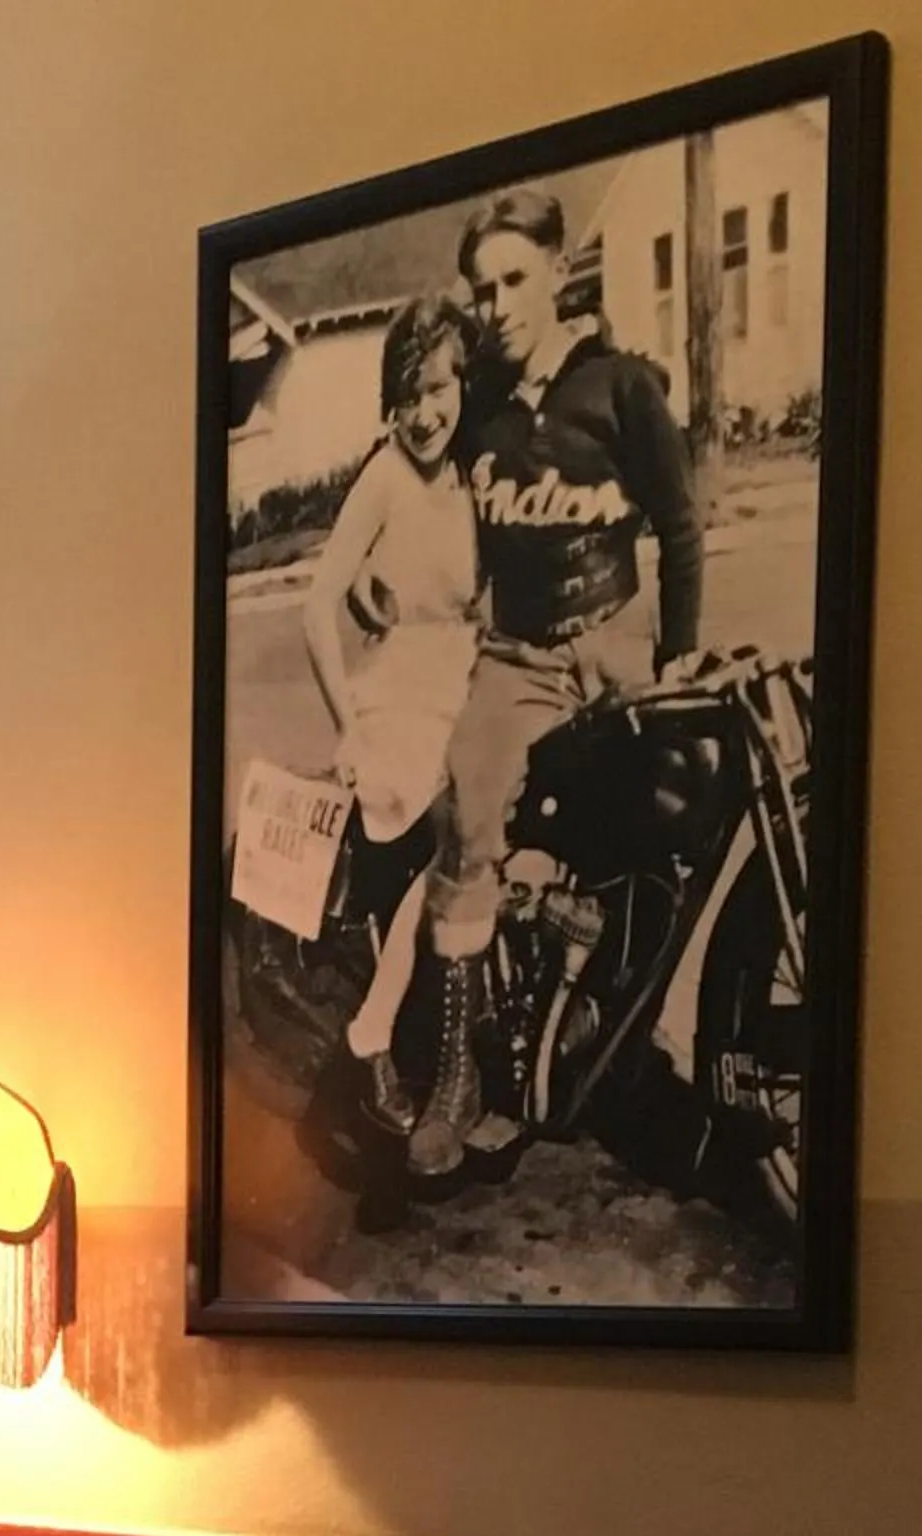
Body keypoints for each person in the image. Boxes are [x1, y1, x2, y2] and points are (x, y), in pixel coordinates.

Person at [405, 185, 705, 1178]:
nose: (498, 304)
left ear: (559, 272)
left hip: (616, 645)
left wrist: (680, 652)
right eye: (484, 288)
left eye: (516, 280)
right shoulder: (476, 407)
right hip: (520, 657)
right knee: (470, 816)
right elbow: (409, 493)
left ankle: (622, 1035)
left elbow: (680, 527)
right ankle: (457, 1071)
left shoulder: (620, 386)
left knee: (664, 826)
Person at [296, 293, 484, 1147]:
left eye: (441, 388)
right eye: (409, 394)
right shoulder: (384, 476)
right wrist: (348, 728)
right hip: (401, 696)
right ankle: (379, 1037)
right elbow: (316, 606)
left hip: (468, 678)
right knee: (442, 853)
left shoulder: (475, 469)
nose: (425, 413)